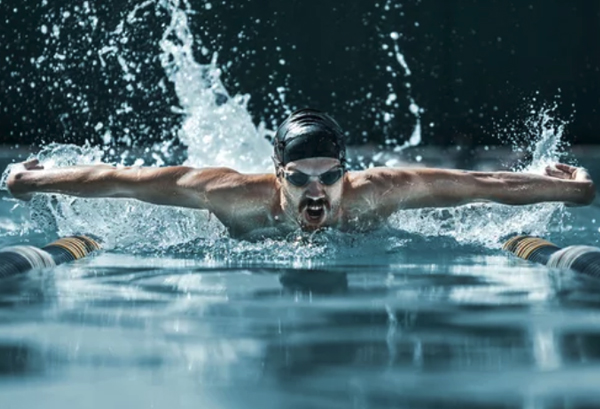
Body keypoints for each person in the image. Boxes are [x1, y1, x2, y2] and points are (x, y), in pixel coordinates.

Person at [5, 109, 596, 239]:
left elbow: (486, 188)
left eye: (330, 175)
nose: (317, 191)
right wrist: (25, 180)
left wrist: (571, 188)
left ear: (348, 171)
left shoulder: (378, 194)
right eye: (300, 177)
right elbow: (118, 179)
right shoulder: (229, 195)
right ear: (277, 174)